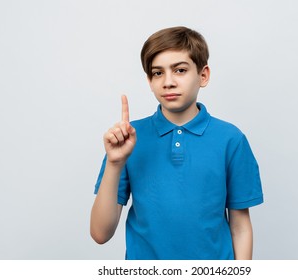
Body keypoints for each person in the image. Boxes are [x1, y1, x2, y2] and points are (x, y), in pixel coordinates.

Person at [90, 26, 263, 260]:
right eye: (158, 73)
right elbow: (100, 233)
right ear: (149, 81)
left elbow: (240, 227)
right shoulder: (128, 139)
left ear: (203, 76)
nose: (168, 82)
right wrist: (114, 163)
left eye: (180, 70)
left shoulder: (230, 139)